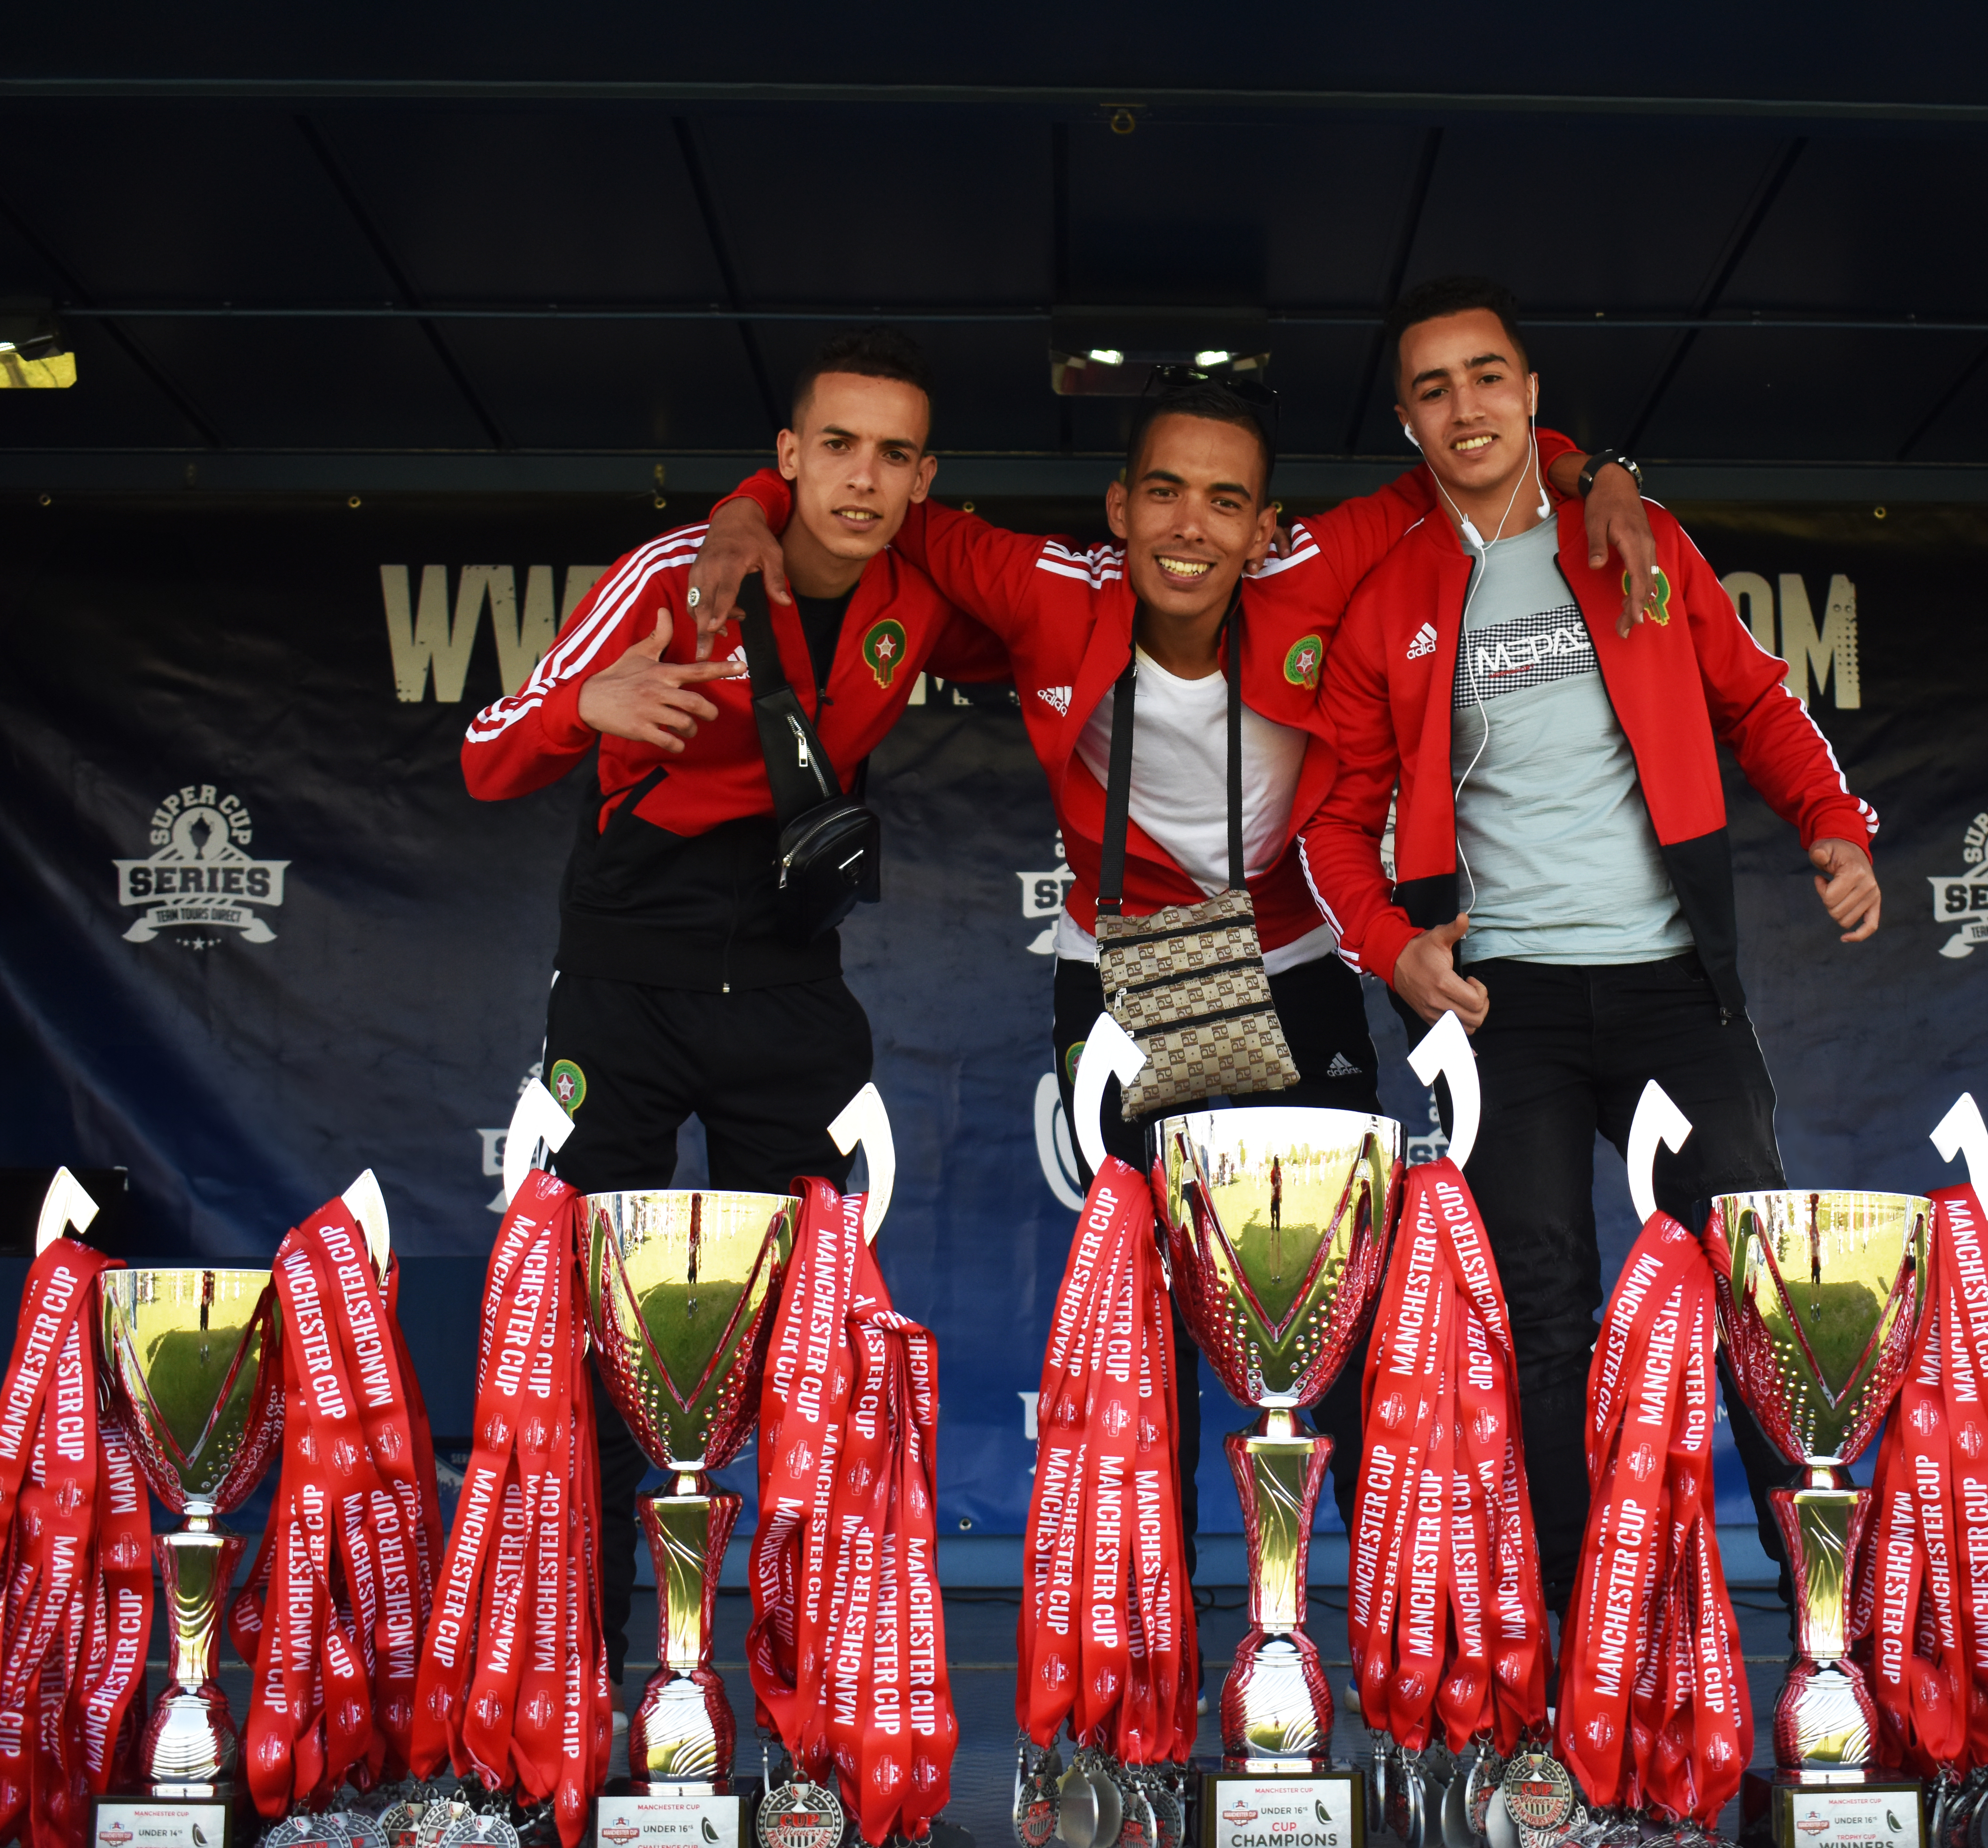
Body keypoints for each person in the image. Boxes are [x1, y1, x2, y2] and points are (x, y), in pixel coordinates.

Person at [686, 380, 1652, 1560]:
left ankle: (1380, 1631)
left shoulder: (1312, 567)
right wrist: (742, 508)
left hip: (1288, 952)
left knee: (1336, 1313)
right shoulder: (1050, 587)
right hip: (1132, 965)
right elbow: (881, 504)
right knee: (1141, 1315)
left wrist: (1598, 467)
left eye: (1225, 501)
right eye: (1164, 493)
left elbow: (1457, 464)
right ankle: (1143, 1655)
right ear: (1118, 506)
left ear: (1265, 526)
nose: (1192, 526)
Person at [1297, 276, 1884, 1617]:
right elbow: (1331, 826)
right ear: (1407, 422)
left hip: (1673, 986)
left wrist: (1834, 826)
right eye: (1434, 390)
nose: (1467, 407)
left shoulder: (1634, 533)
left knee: (1764, 1292)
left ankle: (1825, 1628)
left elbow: (1759, 698)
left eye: (1488, 376)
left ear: (1533, 393)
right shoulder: (1391, 595)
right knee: (1543, 1317)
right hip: (1510, 1008)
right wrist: (1394, 952)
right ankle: (1573, 1628)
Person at [459, 327, 1007, 1684]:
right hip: (625, 990)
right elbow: (483, 756)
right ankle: (574, 1680)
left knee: (823, 1348)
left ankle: (824, 1701)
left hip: (787, 992)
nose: (862, 480)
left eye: (892, 455)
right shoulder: (670, 575)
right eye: (835, 448)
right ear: (786, 457)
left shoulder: (926, 580)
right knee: (583, 1343)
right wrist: (588, 701)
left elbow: (1077, 624)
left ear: (924, 476)